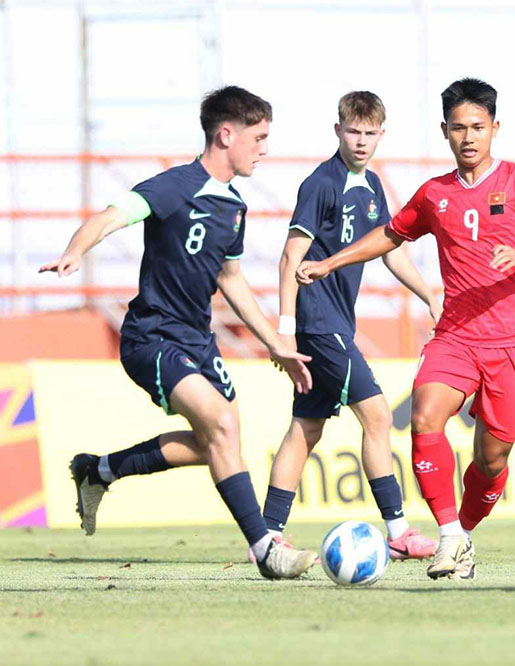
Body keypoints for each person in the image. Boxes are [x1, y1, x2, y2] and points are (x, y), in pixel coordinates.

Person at [296, 78, 515, 580]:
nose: (469, 137)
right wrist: (331, 262)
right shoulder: (434, 194)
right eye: (459, 128)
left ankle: (462, 534)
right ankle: (447, 534)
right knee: (425, 414)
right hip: (456, 334)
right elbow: (388, 234)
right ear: (444, 131)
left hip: (513, 342)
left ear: (494, 129)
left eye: (479, 127)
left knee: (492, 459)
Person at [40, 86, 318, 580]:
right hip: (151, 336)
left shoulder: (234, 207)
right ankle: (265, 551)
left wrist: (277, 344)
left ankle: (97, 470)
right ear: (225, 134)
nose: (266, 149)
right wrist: (75, 250)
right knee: (223, 428)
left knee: (214, 441)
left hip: (197, 341)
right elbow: (109, 217)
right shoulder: (174, 186)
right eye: (259, 137)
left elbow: (230, 281)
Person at [258, 91, 440, 561]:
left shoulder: (373, 185)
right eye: (353, 131)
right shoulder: (321, 184)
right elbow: (288, 260)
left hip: (335, 322)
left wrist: (427, 292)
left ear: (382, 134)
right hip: (319, 326)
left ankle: (269, 533)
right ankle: (398, 532)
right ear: (337, 130)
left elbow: (390, 249)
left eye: (369, 133)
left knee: (305, 428)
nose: (361, 142)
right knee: (378, 415)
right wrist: (285, 330)